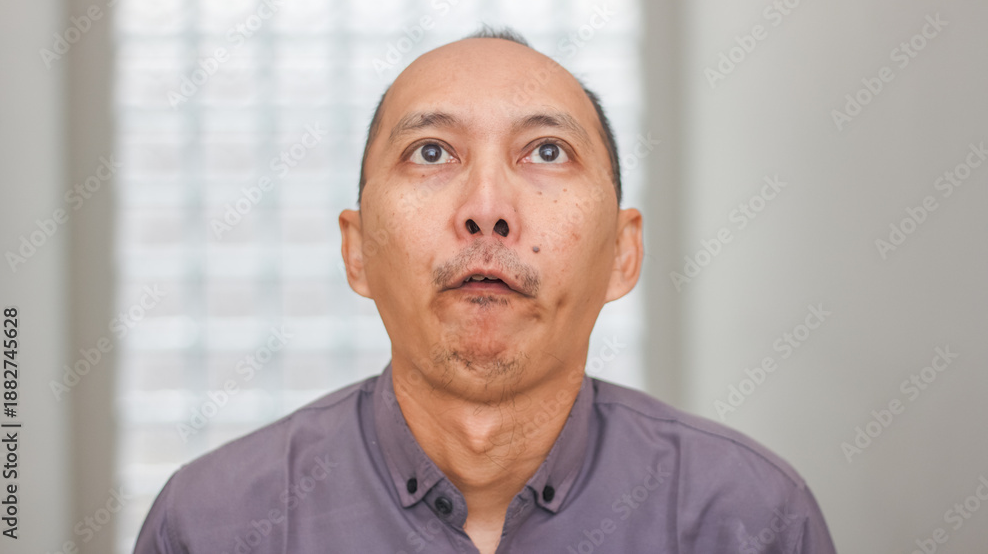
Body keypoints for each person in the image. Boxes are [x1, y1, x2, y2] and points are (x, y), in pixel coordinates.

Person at [134, 27, 837, 553]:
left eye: (547, 152)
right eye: (431, 152)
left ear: (623, 252)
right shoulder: (211, 524)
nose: (488, 205)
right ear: (358, 252)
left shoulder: (747, 517)